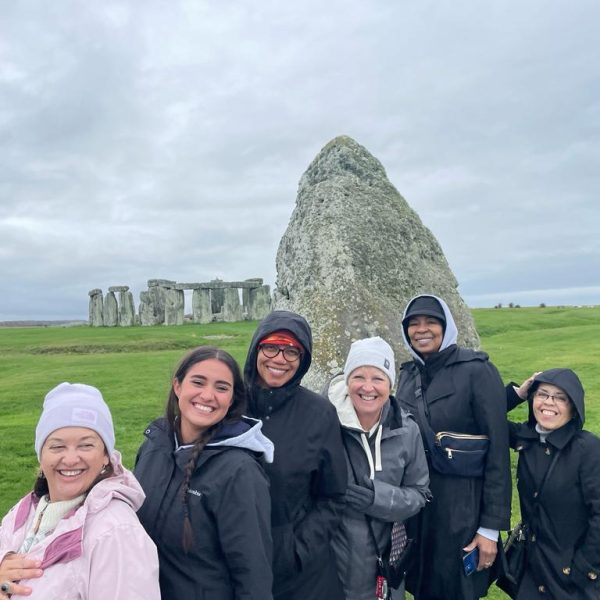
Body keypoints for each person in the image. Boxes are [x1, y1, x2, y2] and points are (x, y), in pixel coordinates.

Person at [134, 346, 273, 600]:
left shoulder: (239, 472)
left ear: (231, 399)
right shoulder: (155, 444)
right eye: (198, 382)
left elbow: (253, 573)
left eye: (221, 388)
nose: (208, 395)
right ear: (177, 386)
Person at [397, 294, 511, 600]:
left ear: (446, 326)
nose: (422, 329)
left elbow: (498, 450)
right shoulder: (406, 376)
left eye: (431, 322)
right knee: (423, 585)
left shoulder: (477, 370)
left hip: (464, 505)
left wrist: (489, 528)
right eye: (413, 323)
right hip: (419, 507)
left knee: (456, 588)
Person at [0, 382, 160, 600]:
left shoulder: (116, 533)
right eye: (57, 446)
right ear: (41, 455)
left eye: (86, 445)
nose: (71, 459)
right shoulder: (25, 511)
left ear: (106, 456)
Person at [244, 310, 347, 600]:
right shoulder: (230, 405)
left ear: (303, 361)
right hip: (231, 558)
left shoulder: (319, 414)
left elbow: (334, 496)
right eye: (271, 346)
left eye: (292, 351)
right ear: (256, 349)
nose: (280, 358)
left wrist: (297, 551)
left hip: (299, 573)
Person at [326, 336, 430, 600]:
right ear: (347, 380)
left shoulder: (407, 430)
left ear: (391, 385)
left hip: (385, 569)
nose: (368, 387)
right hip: (329, 569)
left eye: (379, 378)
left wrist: (378, 498)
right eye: (359, 376)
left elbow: (419, 492)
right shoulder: (323, 424)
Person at [502, 368, 600, 599]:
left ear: (574, 407)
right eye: (542, 394)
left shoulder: (588, 449)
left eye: (560, 397)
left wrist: (583, 568)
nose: (549, 403)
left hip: (573, 578)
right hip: (533, 570)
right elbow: (482, 417)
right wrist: (517, 394)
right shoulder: (526, 439)